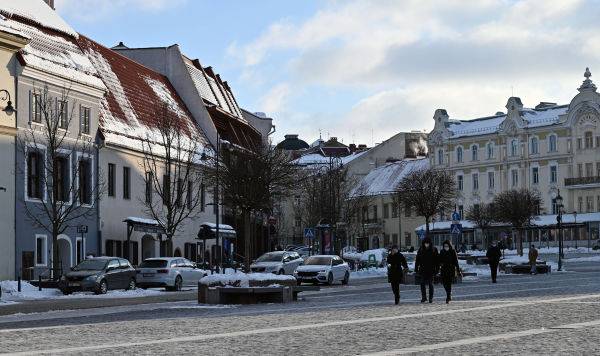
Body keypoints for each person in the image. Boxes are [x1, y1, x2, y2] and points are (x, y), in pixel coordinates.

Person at [415, 237, 439, 303]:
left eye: (427, 243)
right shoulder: (421, 249)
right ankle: (424, 297)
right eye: (425, 243)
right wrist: (416, 268)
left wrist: (437, 269)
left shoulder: (434, 249)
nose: (426, 244)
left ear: (430, 243)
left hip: (431, 270)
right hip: (423, 269)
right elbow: (417, 260)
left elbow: (437, 261)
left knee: (431, 284)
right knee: (422, 283)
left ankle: (431, 298)